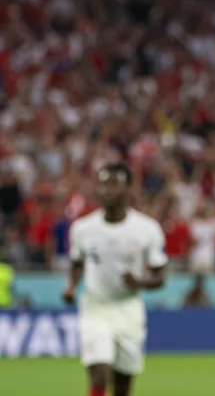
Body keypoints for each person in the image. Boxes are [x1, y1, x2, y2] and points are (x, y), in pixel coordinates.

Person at [62, 163, 168, 396]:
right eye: (103, 184)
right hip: (95, 307)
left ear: (128, 188)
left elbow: (161, 276)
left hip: (129, 309)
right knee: (99, 374)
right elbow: (77, 262)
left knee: (122, 385)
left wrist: (139, 282)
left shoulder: (147, 229)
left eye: (114, 184)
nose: (107, 190)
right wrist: (71, 286)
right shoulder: (83, 228)